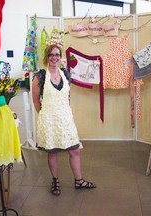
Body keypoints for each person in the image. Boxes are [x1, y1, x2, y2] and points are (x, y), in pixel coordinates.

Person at [32, 44, 96, 196]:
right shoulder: (40, 76)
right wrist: (45, 116)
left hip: (66, 119)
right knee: (52, 152)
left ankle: (79, 181)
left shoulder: (66, 75)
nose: (54, 57)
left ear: (60, 57)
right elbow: (36, 101)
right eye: (51, 55)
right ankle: (55, 181)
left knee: (75, 150)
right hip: (49, 120)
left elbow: (66, 97)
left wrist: (65, 113)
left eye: (57, 55)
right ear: (47, 57)